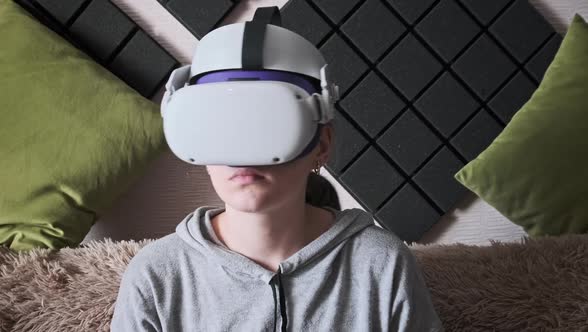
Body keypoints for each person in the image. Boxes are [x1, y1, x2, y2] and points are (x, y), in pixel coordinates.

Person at [111, 6, 443, 332]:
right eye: (219, 126)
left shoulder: (380, 265)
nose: (241, 155)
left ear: (321, 143)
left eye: (267, 123)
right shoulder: (157, 275)